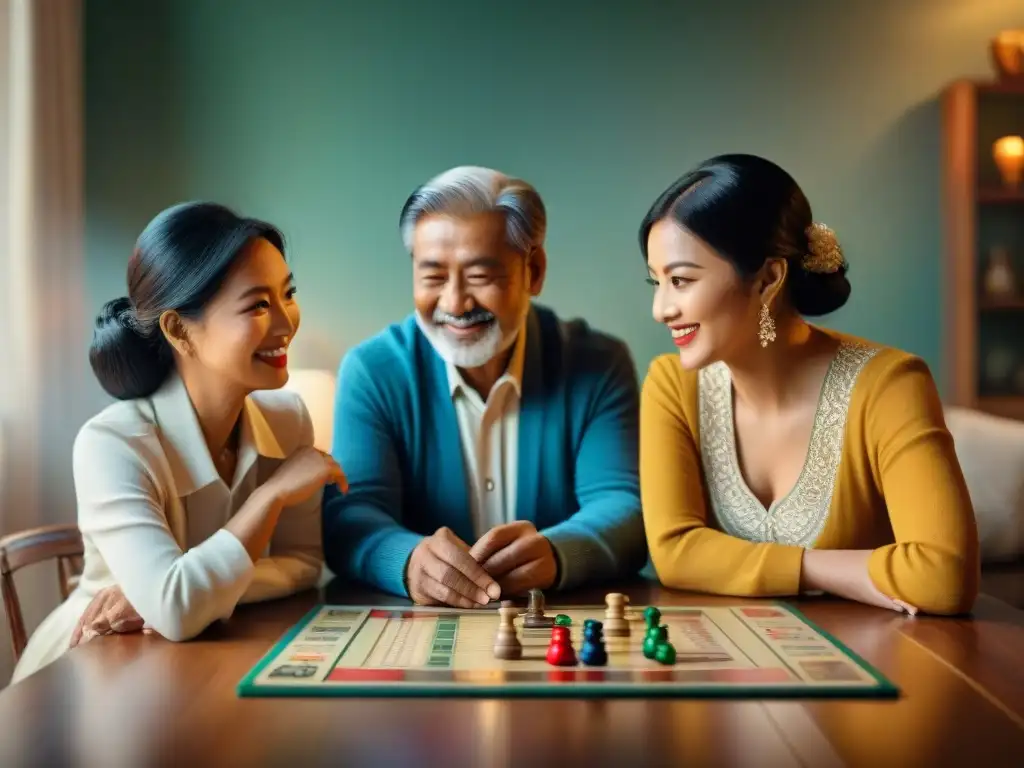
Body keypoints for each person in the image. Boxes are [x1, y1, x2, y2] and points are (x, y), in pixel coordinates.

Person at [11, 202, 345, 684]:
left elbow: (303, 565)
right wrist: (271, 496)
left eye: (287, 294)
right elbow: (175, 610)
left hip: (198, 663)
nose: (286, 322)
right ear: (178, 330)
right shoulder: (110, 444)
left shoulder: (288, 418)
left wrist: (166, 596)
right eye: (257, 304)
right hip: (95, 666)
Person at [639, 153, 979, 616]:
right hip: (723, 668)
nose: (661, 309)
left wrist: (732, 564)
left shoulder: (891, 385)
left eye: (680, 280)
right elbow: (674, 554)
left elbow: (944, 576)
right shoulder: (671, 386)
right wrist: (823, 570)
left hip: (886, 665)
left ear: (768, 279)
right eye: (655, 282)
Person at [322, 166, 646, 607]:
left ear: (533, 271)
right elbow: (351, 515)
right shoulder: (372, 371)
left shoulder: (598, 364)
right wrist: (407, 561)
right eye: (433, 276)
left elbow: (623, 506)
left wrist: (557, 553)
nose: (455, 303)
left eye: (480, 276)